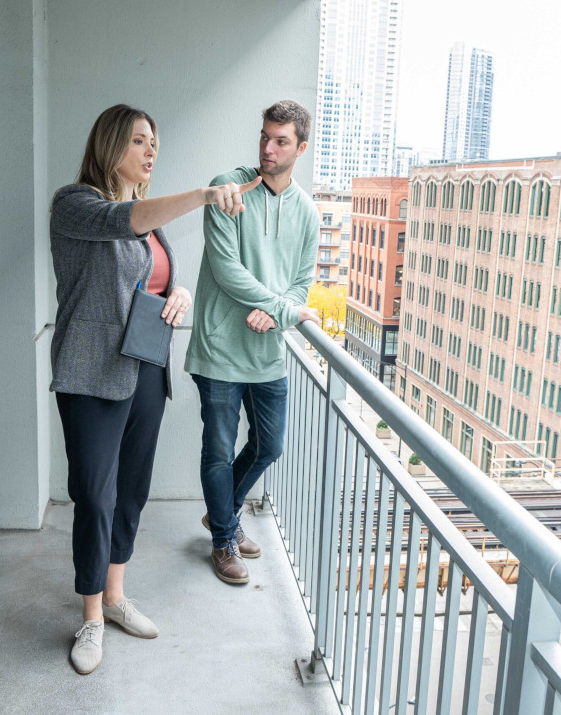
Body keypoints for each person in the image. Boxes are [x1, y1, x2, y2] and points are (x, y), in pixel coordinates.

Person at [50, 103, 260, 674]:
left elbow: (158, 270)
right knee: (95, 494)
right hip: (90, 371)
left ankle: (115, 597)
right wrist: (205, 194)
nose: (151, 152)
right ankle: (90, 616)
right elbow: (126, 224)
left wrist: (183, 294)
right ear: (111, 142)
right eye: (141, 141)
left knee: (132, 489)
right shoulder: (76, 204)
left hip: (144, 366)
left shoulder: (150, 218)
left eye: (155, 144)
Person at [185, 99, 320, 585]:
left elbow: (302, 283)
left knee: (269, 445)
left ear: (299, 148)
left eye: (281, 140)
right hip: (220, 349)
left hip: (267, 353)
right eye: (265, 136)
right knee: (218, 451)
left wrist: (280, 310)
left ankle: (223, 514)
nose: (268, 147)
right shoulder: (230, 188)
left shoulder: (308, 212)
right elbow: (226, 270)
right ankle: (223, 539)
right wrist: (285, 310)